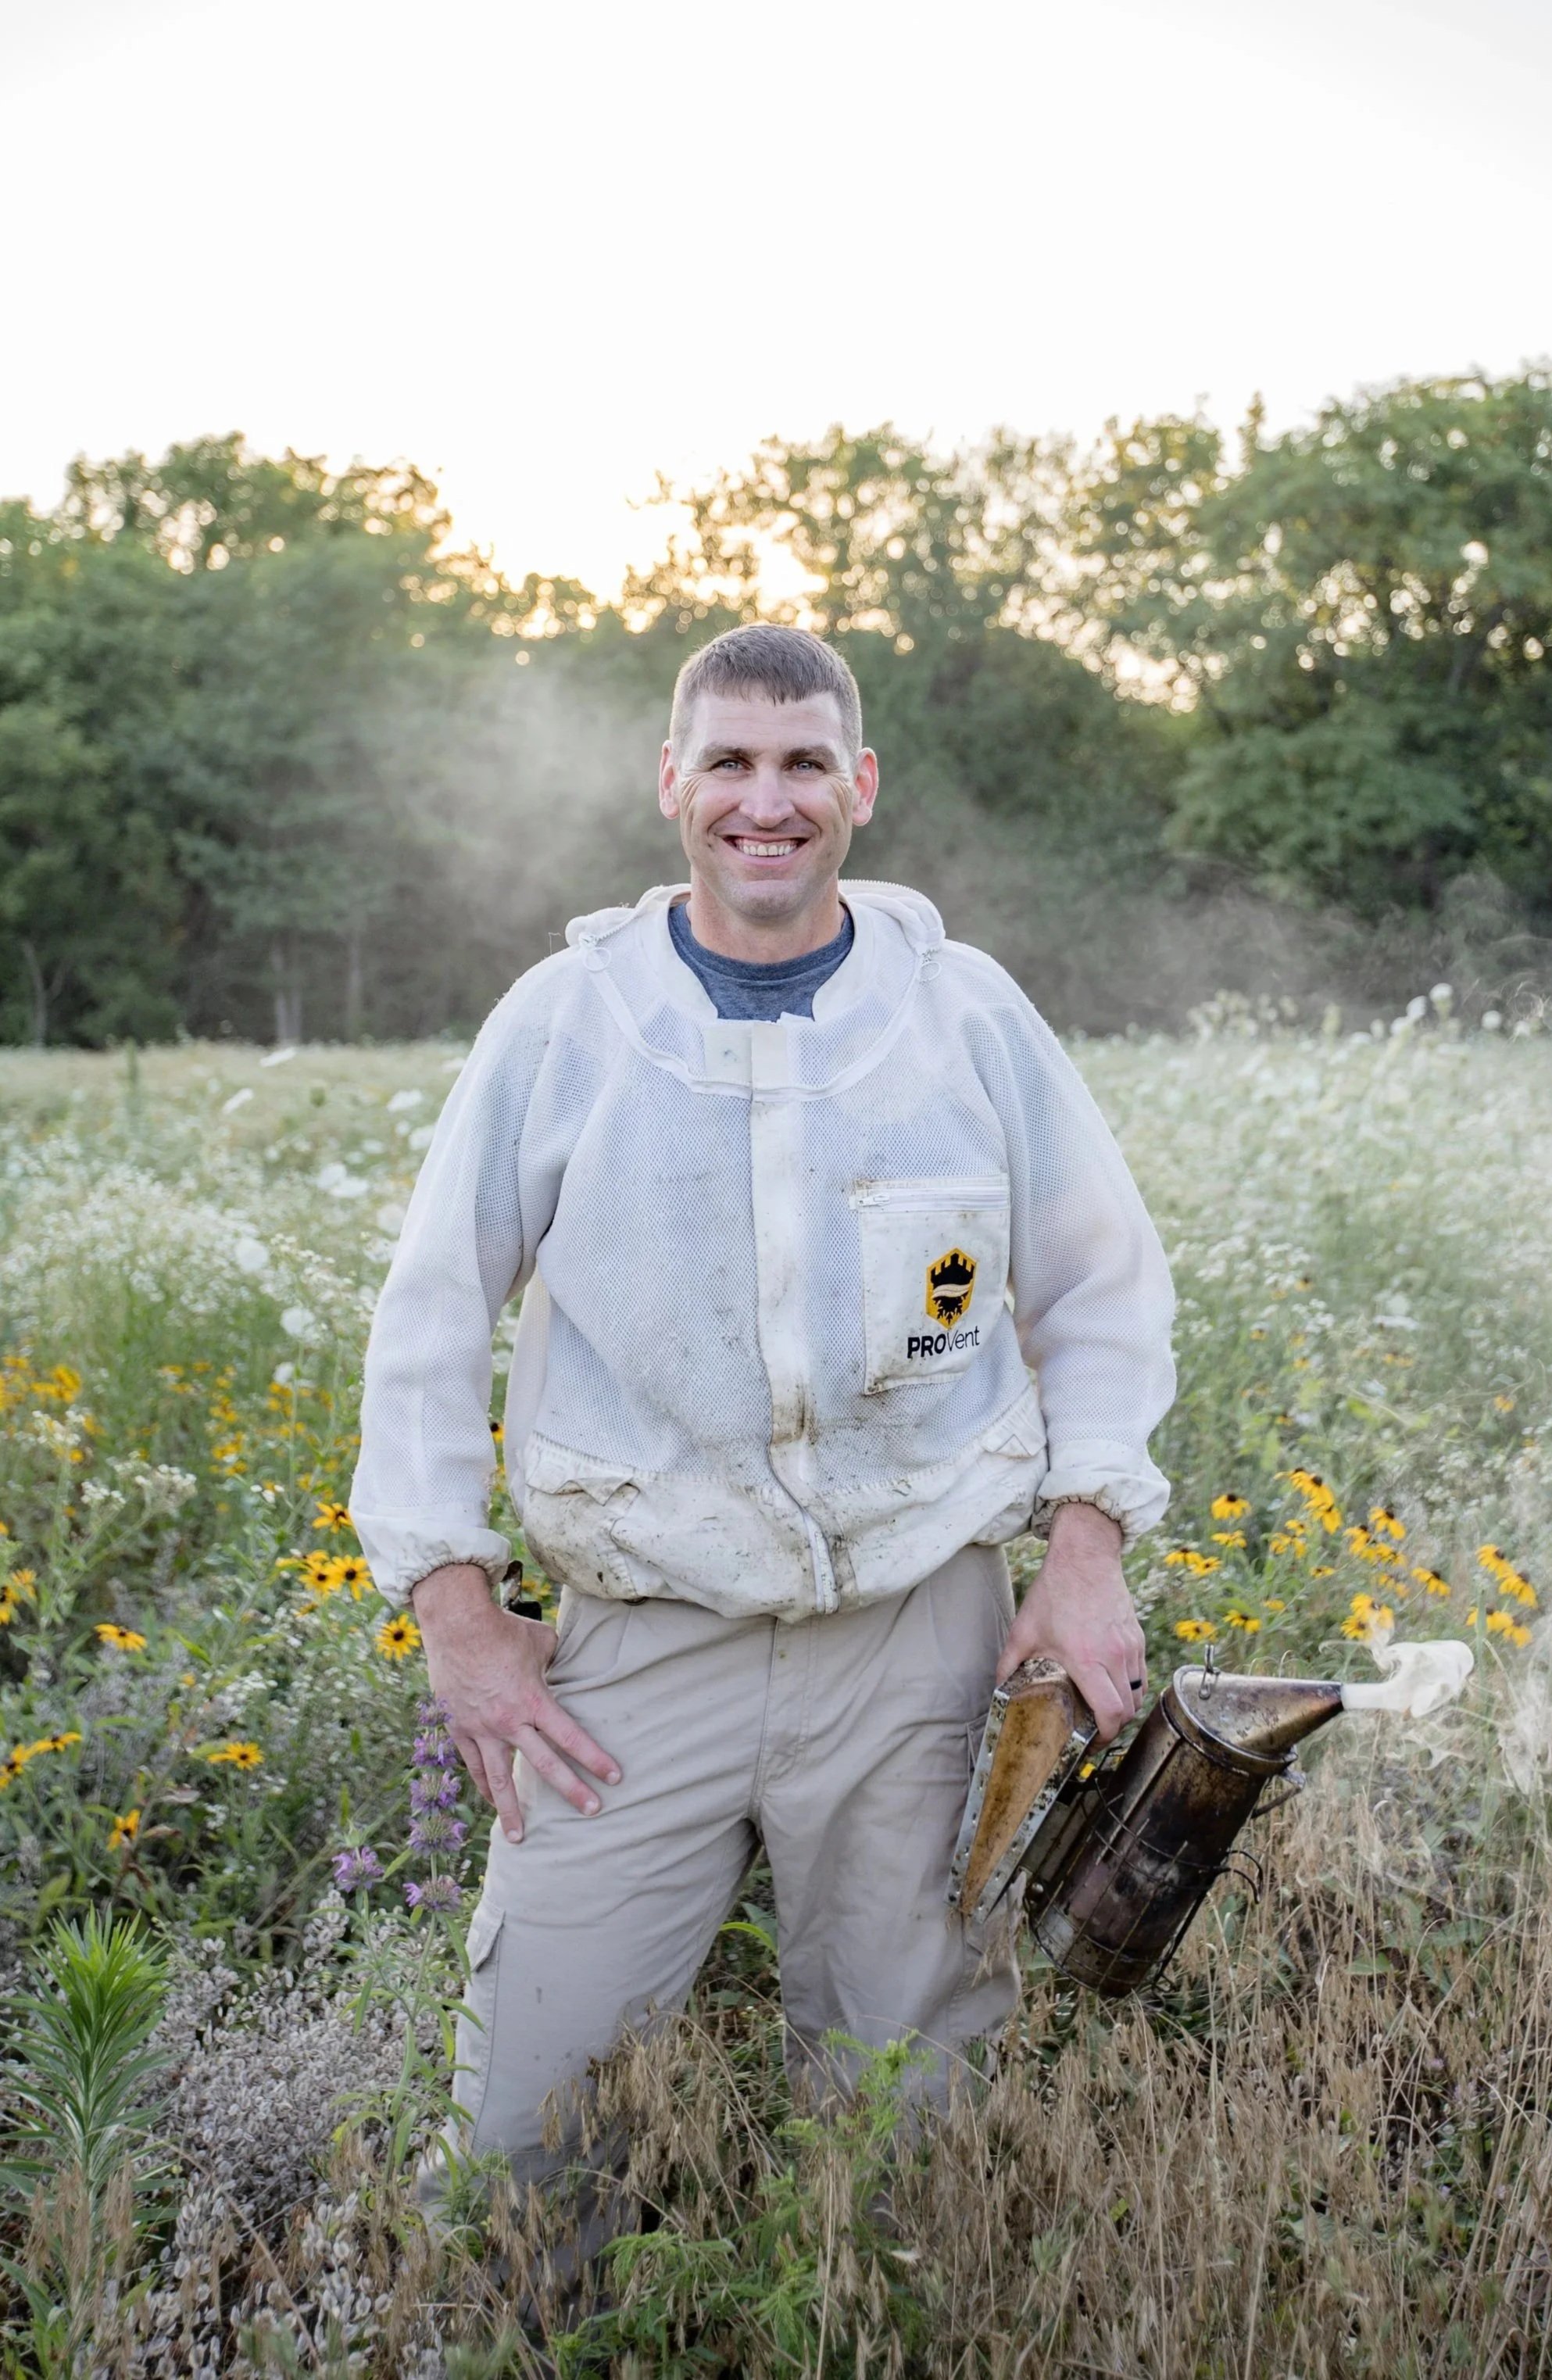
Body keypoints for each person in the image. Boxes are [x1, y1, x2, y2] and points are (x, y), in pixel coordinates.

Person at [350, 622, 1175, 2218]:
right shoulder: (564, 1019)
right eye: (728, 761)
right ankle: (537, 2315)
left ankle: (868, 2323)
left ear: (859, 785)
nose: (765, 800)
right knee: (528, 2122)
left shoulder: (963, 1013)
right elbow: (433, 1314)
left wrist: (1085, 1553)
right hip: (636, 1645)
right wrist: (456, 1609)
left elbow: (1098, 1285)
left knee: (906, 2113)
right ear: (671, 782)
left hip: (917, 1638)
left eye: (803, 763)